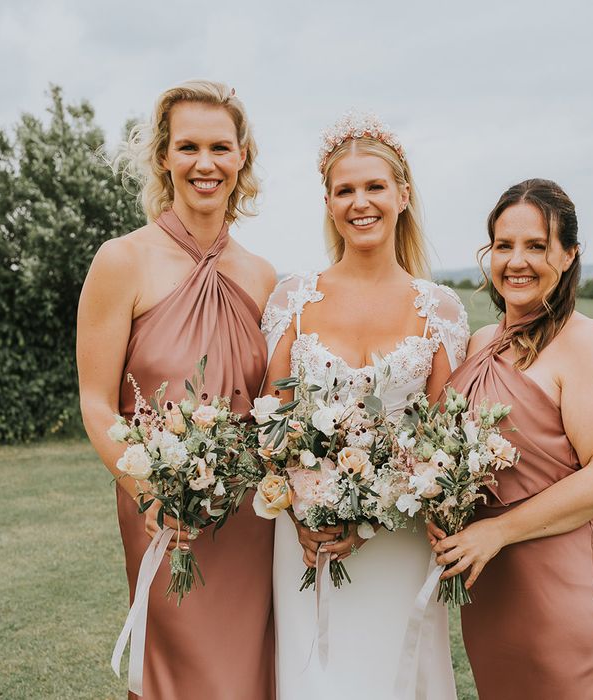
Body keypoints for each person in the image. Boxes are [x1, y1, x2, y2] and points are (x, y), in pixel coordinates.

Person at [77, 80, 277, 699]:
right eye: (188, 146)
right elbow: (96, 402)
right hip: (161, 514)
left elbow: (274, 406)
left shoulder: (264, 276)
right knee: (177, 673)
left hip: (251, 520)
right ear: (164, 155)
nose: (205, 163)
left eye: (221, 147)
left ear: (241, 156)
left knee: (249, 672)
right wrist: (148, 495)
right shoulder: (121, 261)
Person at [261, 113, 468, 699]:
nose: (361, 202)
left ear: (403, 195)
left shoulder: (440, 310)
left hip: (401, 541)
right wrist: (301, 509)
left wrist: (377, 510)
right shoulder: (294, 299)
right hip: (307, 540)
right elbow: (271, 420)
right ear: (328, 203)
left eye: (375, 186)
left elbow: (441, 441)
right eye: (344, 190)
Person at [429, 178, 593, 700]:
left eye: (536, 245)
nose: (516, 261)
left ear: (568, 255)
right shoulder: (480, 342)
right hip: (495, 585)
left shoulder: (586, 341)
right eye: (504, 245)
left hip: (566, 585)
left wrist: (495, 533)